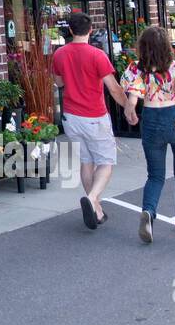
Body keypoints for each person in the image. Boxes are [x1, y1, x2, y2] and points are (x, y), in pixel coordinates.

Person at [122, 26, 175, 242]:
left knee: (155, 175)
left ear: (143, 47)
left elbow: (132, 101)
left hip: (151, 120)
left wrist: (131, 112)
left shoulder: (136, 70)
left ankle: (149, 211)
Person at [52, 12, 129, 230]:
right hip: (94, 116)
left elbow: (58, 83)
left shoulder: (59, 54)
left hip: (71, 116)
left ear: (70, 30)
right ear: (91, 30)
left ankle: (96, 209)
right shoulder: (97, 55)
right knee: (106, 161)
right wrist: (128, 108)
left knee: (86, 161)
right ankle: (93, 197)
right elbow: (113, 88)